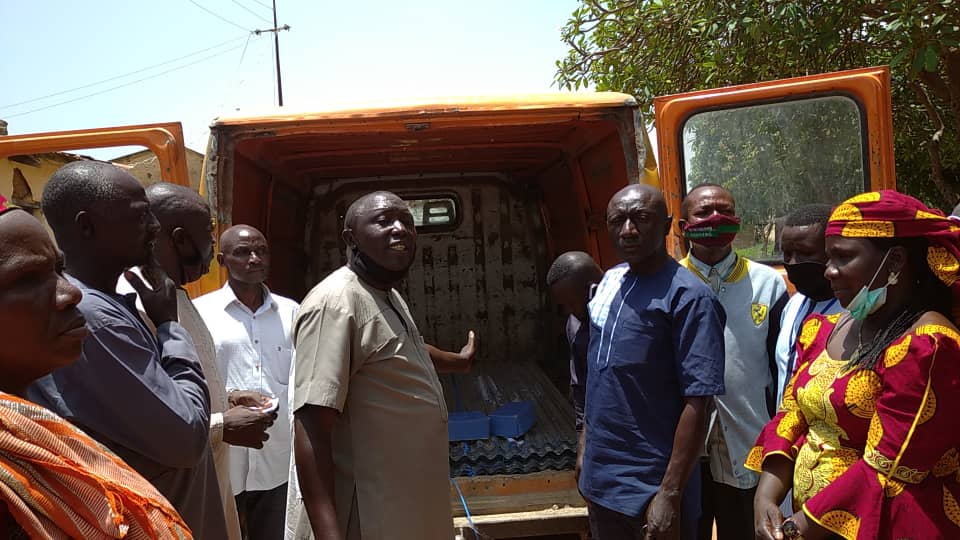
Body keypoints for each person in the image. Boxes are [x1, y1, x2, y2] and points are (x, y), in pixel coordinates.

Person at [27, 161, 227, 539]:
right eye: (140, 216)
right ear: (87, 226)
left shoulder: (112, 305)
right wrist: (169, 326)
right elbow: (186, 436)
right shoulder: (93, 318)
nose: (154, 227)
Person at [748, 190, 960, 540]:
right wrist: (765, 496)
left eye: (844, 257)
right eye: (829, 256)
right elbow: (792, 414)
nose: (829, 271)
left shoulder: (928, 346)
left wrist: (795, 529)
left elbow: (885, 467)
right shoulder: (824, 329)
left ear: (895, 261)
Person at [286, 191, 475, 540]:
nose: (400, 229)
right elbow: (312, 428)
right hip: (373, 515)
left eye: (407, 221)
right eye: (384, 221)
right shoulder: (335, 304)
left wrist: (458, 362)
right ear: (350, 238)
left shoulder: (385, 293)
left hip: (409, 507)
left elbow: (402, 347)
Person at [0, 197, 193, 538]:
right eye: (27, 279)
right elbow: (186, 437)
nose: (70, 293)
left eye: (59, 270)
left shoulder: (39, 431)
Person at [118, 183, 276, 540]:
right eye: (208, 232)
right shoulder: (139, 306)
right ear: (181, 239)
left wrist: (227, 397)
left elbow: (175, 383)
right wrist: (222, 425)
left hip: (209, 483)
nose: (211, 242)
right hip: (176, 498)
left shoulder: (172, 296)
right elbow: (146, 421)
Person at [579, 184, 726, 540]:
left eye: (641, 218)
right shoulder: (611, 282)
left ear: (667, 225)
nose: (628, 230)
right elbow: (598, 376)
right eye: (618, 221)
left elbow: (698, 401)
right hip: (601, 482)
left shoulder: (689, 297)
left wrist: (670, 492)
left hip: (651, 488)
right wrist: (584, 448)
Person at [677, 183, 788, 540]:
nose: (715, 219)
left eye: (725, 211)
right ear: (683, 226)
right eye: (704, 213)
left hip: (747, 441)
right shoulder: (670, 283)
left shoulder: (768, 284)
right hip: (684, 447)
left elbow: (780, 368)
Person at [194, 224, 297, 540]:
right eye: (242, 252)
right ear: (222, 260)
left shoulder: (292, 312)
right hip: (225, 454)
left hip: (277, 456)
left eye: (261, 251)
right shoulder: (200, 313)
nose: (254, 258)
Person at [774, 204, 843, 407]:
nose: (793, 262)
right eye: (787, 253)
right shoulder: (793, 305)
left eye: (805, 253)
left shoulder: (853, 313)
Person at [546, 250, 603, 432]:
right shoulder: (574, 324)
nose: (568, 311)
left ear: (593, 289)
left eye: (571, 303)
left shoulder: (626, 316)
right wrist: (581, 432)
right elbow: (580, 386)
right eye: (563, 305)